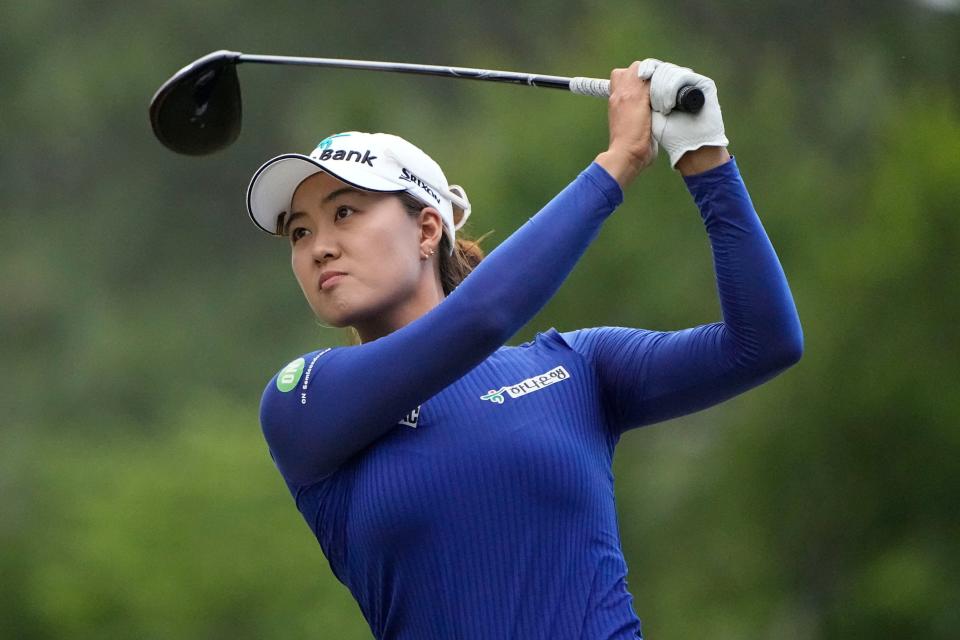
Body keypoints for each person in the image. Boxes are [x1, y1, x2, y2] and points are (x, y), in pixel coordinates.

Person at [245, 59, 802, 640]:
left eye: (344, 213)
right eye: (300, 231)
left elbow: (763, 343)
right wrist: (618, 163)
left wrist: (704, 158)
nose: (319, 248)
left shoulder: (575, 367)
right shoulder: (303, 402)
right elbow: (480, 318)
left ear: (428, 229)